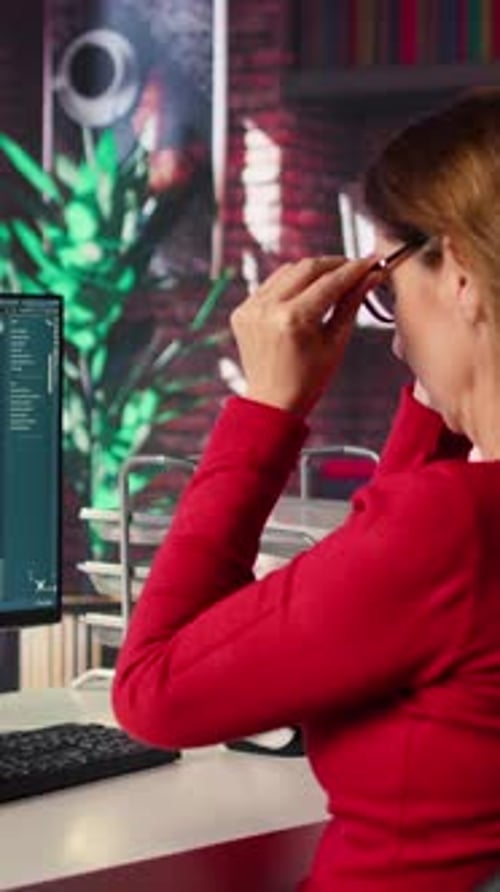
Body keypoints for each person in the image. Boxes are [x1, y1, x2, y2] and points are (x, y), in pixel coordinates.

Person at [112, 89, 500, 891]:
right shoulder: (454, 529)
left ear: (460, 272)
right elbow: (395, 606)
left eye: (390, 287)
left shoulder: (449, 531)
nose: (393, 337)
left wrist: (265, 408)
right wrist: (440, 391)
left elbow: (152, 691)